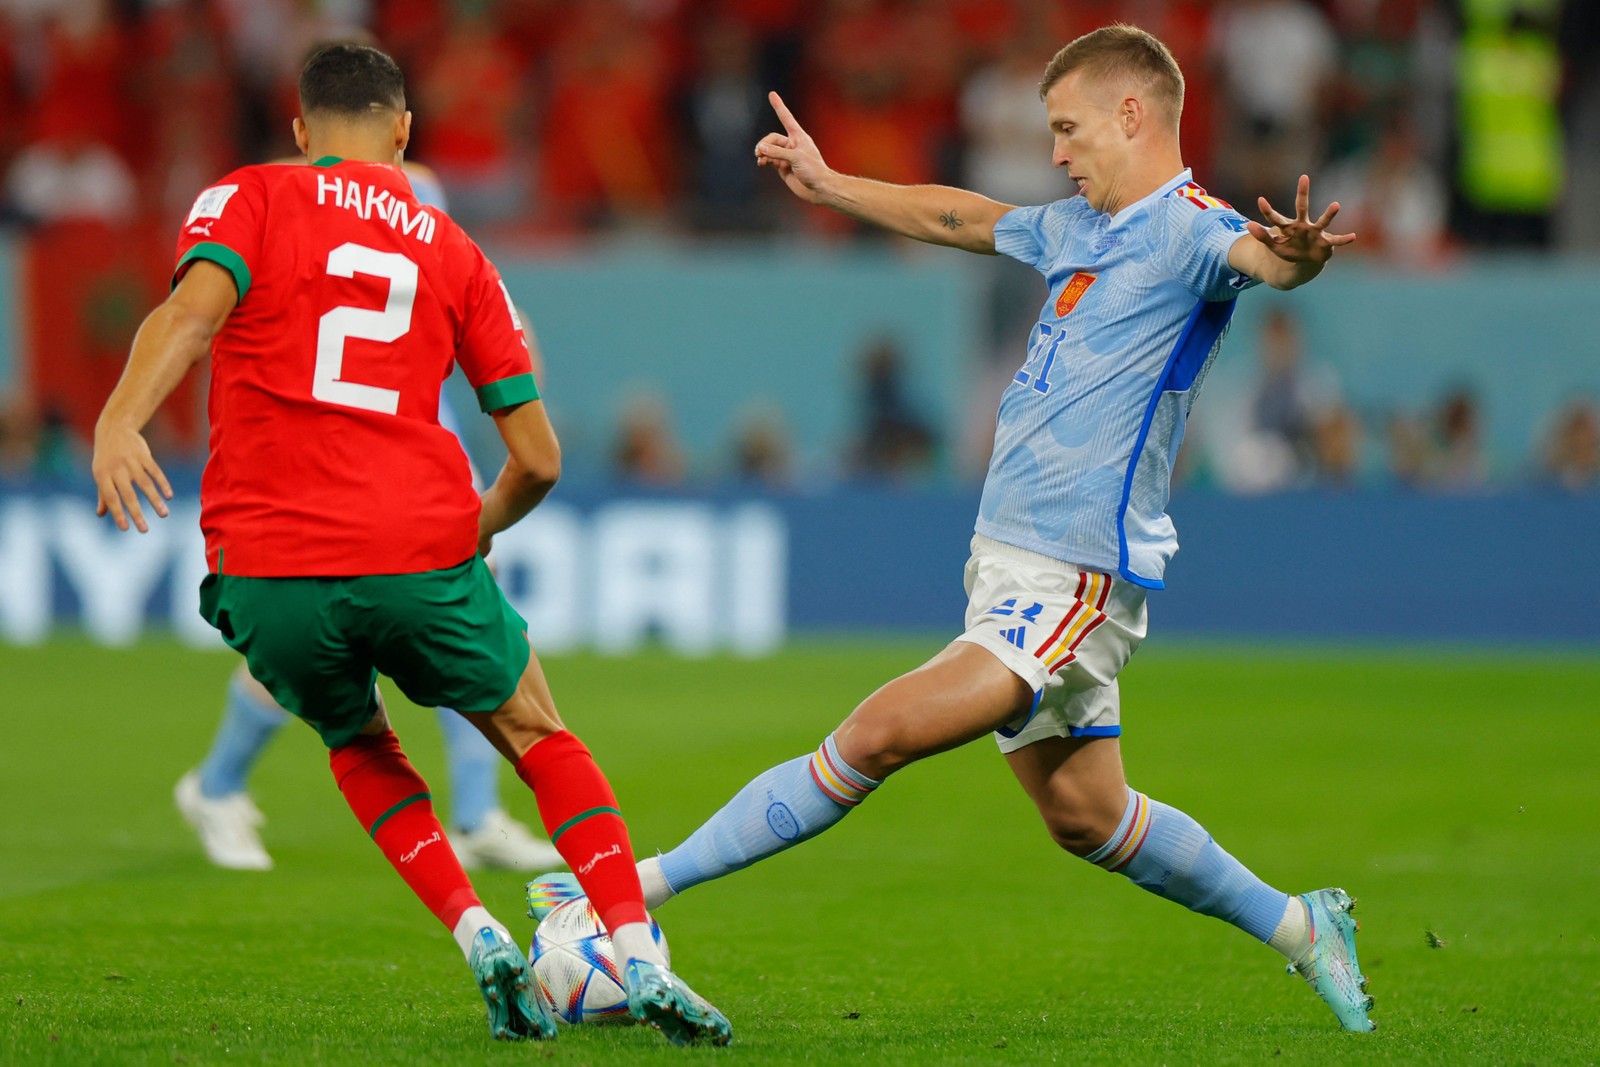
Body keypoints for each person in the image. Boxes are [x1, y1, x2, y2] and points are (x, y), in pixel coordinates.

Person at [530, 24, 1375, 1033]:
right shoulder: (1076, 227)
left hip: (1072, 579)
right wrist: (831, 182)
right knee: (1086, 814)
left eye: (1067, 128)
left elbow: (1268, 264)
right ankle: (1300, 926)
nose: (1057, 151)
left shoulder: (1192, 229)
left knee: (875, 735)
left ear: (1131, 114)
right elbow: (964, 214)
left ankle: (615, 890)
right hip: (1007, 566)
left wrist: (1302, 258)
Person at [90, 43, 729, 1046]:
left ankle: (475, 929)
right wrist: (456, 536)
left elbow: (189, 314)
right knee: (538, 733)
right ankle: (638, 949)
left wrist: (119, 421)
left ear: (300, 130)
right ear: (404, 132)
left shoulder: (244, 197)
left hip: (261, 563)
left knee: (357, 740)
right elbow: (540, 459)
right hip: (412, 543)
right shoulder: (451, 247)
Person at [175, 161, 563, 876]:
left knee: (458, 614)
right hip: (357, 455)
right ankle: (218, 783)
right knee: (330, 626)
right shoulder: (395, 196)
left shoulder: (357, 196)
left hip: (417, 443)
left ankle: (476, 812)